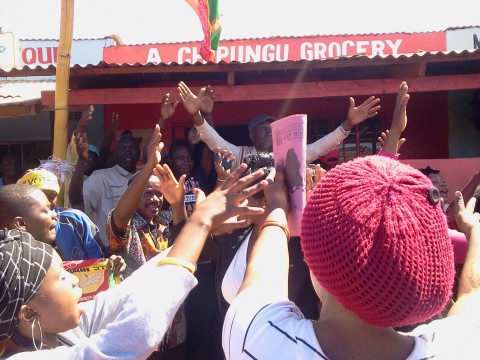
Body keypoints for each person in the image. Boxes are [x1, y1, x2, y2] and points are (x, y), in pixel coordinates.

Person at [0, 157, 269, 358]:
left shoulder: (63, 328)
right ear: (29, 312)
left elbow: (133, 286)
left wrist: (202, 229)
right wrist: (199, 223)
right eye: (60, 276)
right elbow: (134, 336)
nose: (74, 279)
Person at [222, 155, 480, 358]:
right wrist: (475, 233)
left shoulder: (258, 342)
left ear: (312, 256)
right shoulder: (460, 348)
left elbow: (261, 277)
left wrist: (278, 207)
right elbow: (472, 295)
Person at [106, 125, 188, 359]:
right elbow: (120, 214)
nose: (155, 198)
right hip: (139, 333)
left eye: (158, 193)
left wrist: (177, 203)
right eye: (147, 192)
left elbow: (186, 238)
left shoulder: (167, 221)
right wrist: (149, 165)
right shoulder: (125, 226)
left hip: (174, 328)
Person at [177, 81, 381, 169]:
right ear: (251, 136)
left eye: (273, 129)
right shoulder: (240, 154)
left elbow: (320, 148)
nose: (269, 133)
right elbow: (215, 142)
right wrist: (196, 115)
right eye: (264, 130)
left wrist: (347, 125)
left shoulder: (290, 154)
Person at [69, 128, 141, 249]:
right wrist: (81, 160)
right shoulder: (101, 178)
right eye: (122, 148)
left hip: (144, 250)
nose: (128, 152)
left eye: (131, 148)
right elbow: (77, 202)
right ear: (115, 154)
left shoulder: (146, 178)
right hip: (112, 253)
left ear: (139, 151)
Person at [16, 168, 108, 261]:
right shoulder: (14, 235)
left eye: (52, 196)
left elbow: (101, 260)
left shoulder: (75, 220)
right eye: (41, 197)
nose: (47, 202)